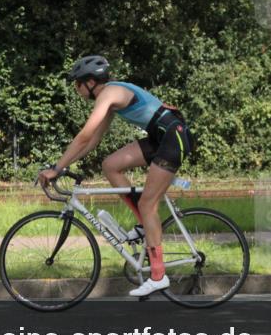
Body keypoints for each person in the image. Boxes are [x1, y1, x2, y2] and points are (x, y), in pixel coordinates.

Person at [37, 55, 195, 297]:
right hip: (160, 137)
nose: (76, 89)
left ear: (89, 82)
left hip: (173, 137)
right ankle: (143, 224)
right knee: (110, 165)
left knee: (148, 203)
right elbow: (91, 142)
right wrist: (63, 164)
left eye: (76, 83)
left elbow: (83, 135)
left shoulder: (108, 94)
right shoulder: (109, 98)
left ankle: (158, 275)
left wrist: (57, 168)